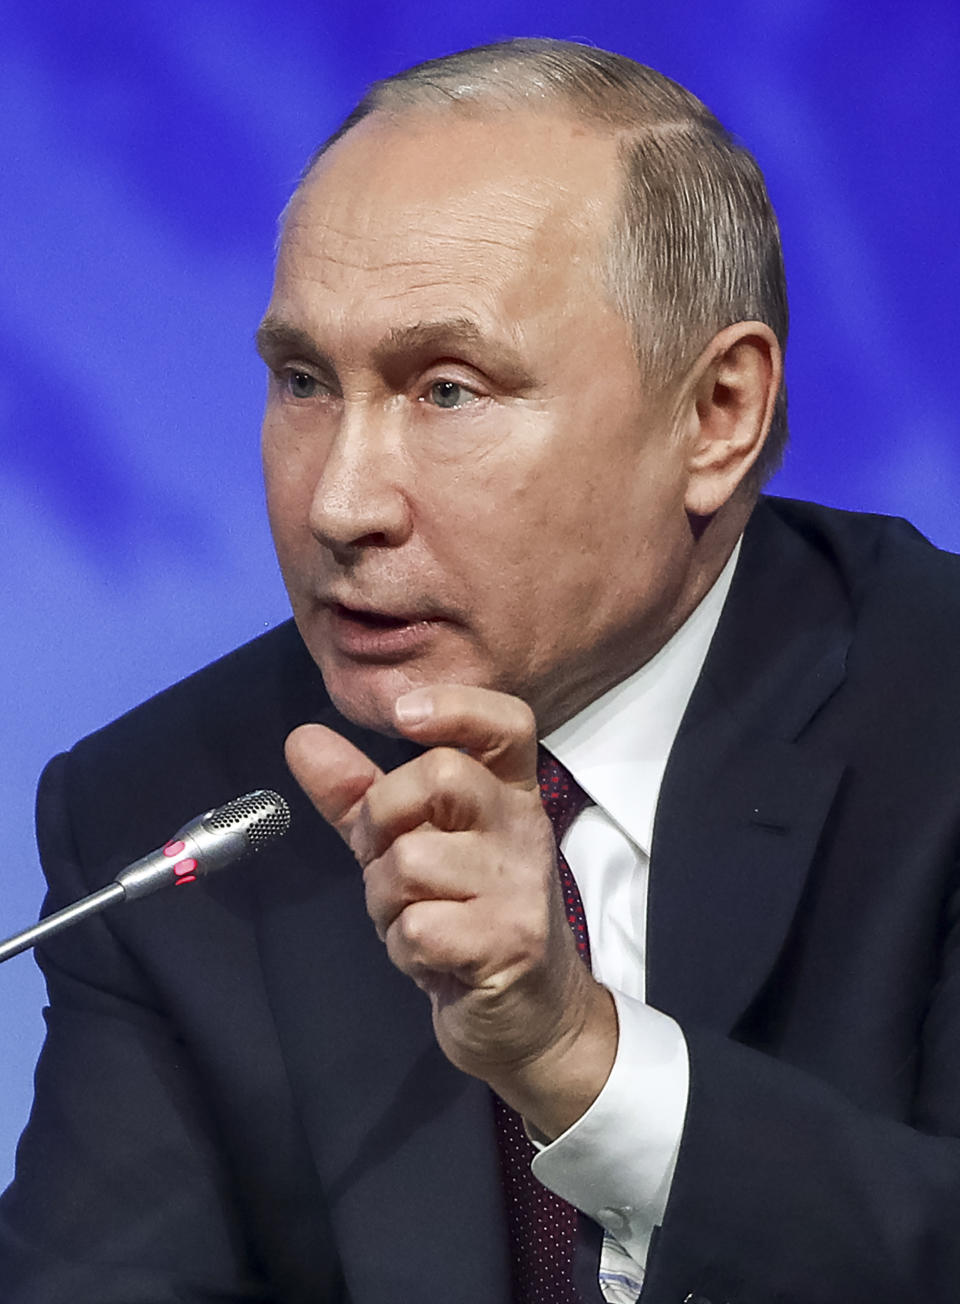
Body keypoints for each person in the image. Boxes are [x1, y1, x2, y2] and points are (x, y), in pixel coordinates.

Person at [2, 36, 960, 1304]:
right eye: (302, 381)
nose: (340, 503)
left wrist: (581, 1059)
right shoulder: (166, 809)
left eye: (447, 391)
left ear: (717, 413)